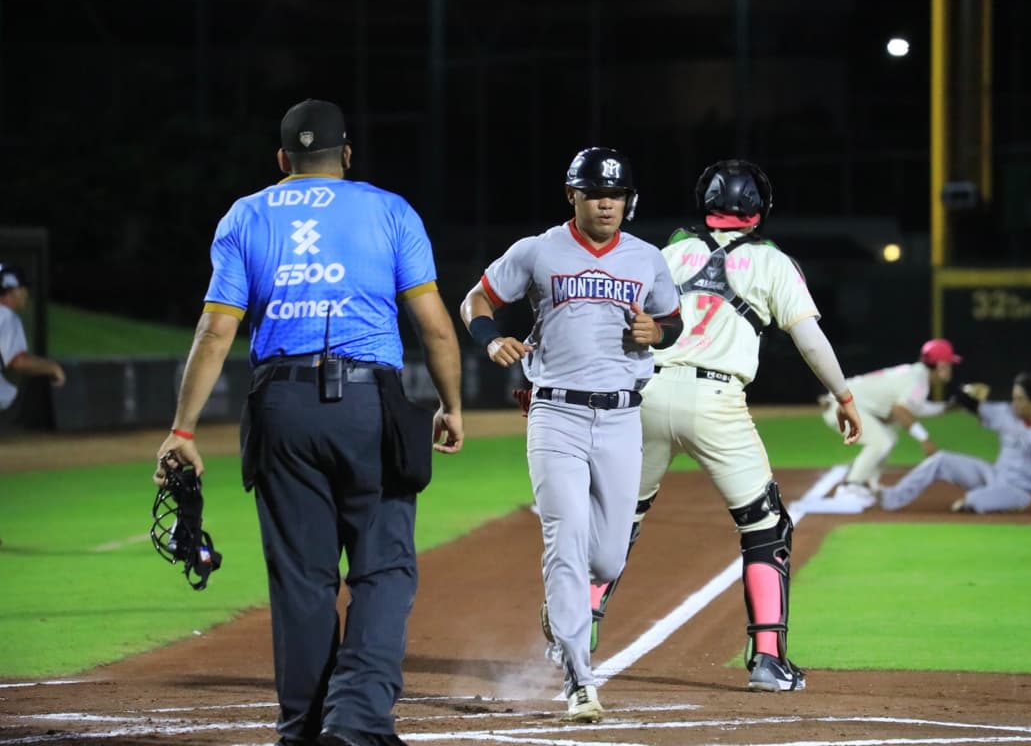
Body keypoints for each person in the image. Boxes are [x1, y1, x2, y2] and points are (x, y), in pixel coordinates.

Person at [153, 99, 464, 746]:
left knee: (301, 579)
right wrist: (451, 405)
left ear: (282, 160)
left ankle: (300, 729)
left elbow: (216, 331)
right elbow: (434, 326)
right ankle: (354, 718)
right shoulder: (388, 209)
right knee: (382, 569)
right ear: (347, 155)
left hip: (281, 407)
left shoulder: (246, 214)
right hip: (367, 404)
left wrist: (182, 429)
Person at [582, 159, 863, 693]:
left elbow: (619, 324)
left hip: (647, 394)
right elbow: (809, 340)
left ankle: (577, 628)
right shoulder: (773, 262)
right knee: (765, 526)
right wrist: (844, 396)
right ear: (760, 211)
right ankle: (767, 659)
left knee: (621, 516)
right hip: (716, 401)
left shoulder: (667, 252)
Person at [459, 146, 681, 723]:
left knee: (606, 560)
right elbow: (476, 299)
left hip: (622, 418)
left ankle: (563, 614)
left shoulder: (647, 258)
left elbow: (672, 321)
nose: (607, 204)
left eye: (616, 195)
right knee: (564, 537)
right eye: (595, 193)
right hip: (553, 413)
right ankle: (579, 678)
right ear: (572, 195)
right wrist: (489, 338)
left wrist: (656, 330)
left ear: (628, 200)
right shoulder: (538, 251)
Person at [878, 371, 1031, 514]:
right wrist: (963, 390)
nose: (1014, 403)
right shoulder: (1006, 413)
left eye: (1020, 399)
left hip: (1020, 491)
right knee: (941, 460)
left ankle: (992, 501)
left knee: (974, 500)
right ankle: (890, 498)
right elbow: (969, 403)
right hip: (993, 475)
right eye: (1014, 397)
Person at [820, 338, 963, 509]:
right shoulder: (919, 381)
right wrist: (925, 439)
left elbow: (916, 407)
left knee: (889, 437)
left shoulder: (916, 375)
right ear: (940, 365)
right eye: (948, 363)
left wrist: (948, 407)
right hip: (842, 406)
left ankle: (867, 484)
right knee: (881, 441)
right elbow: (899, 411)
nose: (950, 368)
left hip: (843, 403)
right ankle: (851, 486)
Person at [0, 263, 67, 413]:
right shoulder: (6, 317)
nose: (26, 293)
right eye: (22, 288)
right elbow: (17, 362)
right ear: (10, 290)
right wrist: (52, 368)